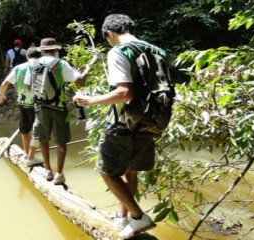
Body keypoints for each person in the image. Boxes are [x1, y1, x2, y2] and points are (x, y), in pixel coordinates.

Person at [73, 14, 162, 238]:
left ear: (109, 33)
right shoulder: (156, 51)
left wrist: (89, 100)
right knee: (131, 171)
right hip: (150, 121)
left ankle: (139, 217)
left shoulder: (119, 51)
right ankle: (124, 219)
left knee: (107, 171)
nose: (109, 42)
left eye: (107, 38)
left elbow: (125, 92)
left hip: (123, 123)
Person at [24, 38, 97, 185]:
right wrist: (91, 64)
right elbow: (80, 81)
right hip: (59, 108)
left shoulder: (33, 64)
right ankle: (59, 174)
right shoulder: (61, 64)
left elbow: (28, 87)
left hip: (40, 107)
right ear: (56, 50)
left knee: (43, 138)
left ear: (42, 50)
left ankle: (48, 170)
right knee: (61, 141)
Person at [0, 47, 42, 167]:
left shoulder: (18, 68)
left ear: (27, 57)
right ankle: (31, 157)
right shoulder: (41, 67)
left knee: (25, 128)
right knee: (38, 131)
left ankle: (26, 153)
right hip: (36, 104)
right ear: (39, 57)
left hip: (22, 103)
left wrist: (1, 95)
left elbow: (5, 83)